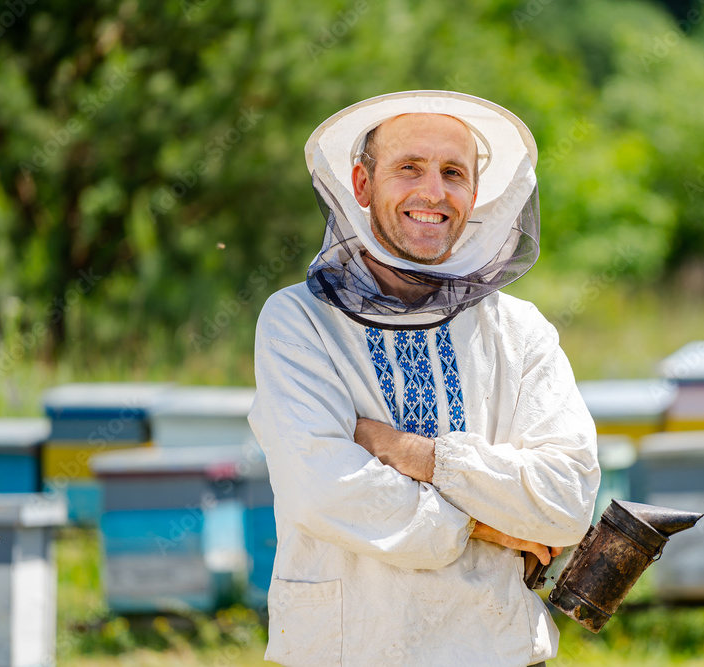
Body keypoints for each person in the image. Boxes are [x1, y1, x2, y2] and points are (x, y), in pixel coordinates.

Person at [248, 90, 600, 666]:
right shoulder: (298, 322)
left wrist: (409, 453)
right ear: (361, 185)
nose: (433, 192)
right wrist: (493, 528)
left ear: (474, 192)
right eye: (409, 167)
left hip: (500, 650)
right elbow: (324, 489)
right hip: (349, 650)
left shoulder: (521, 331)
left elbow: (567, 502)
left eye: (453, 172)